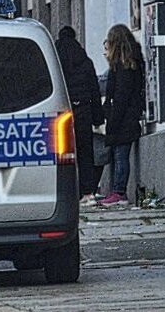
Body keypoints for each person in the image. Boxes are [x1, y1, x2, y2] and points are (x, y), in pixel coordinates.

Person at [55, 26, 105, 205]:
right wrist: (98, 118)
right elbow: (94, 91)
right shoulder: (85, 61)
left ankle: (66, 192)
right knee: (85, 151)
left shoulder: (56, 60)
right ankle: (88, 191)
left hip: (62, 113)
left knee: (63, 153)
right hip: (84, 110)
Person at [98, 24, 145, 207]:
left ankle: (119, 192)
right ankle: (117, 191)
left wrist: (113, 120)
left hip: (123, 118)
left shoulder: (123, 68)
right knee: (119, 155)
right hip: (128, 116)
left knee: (120, 156)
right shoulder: (131, 64)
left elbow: (121, 97)